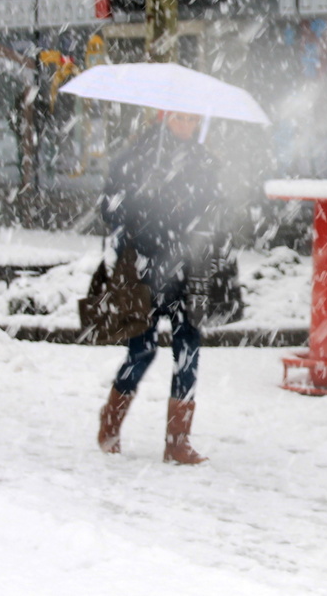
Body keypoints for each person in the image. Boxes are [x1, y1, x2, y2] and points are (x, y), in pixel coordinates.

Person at [96, 109, 220, 464]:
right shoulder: (134, 159)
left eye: (195, 119)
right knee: (142, 350)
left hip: (188, 266)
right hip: (144, 267)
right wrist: (146, 208)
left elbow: (214, 213)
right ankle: (110, 422)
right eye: (181, 118)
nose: (188, 126)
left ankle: (177, 441)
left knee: (188, 348)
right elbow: (111, 209)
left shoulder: (204, 162)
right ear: (163, 118)